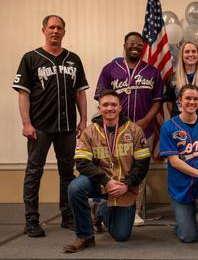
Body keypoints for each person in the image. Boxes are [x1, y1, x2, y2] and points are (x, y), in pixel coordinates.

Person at [12, 15, 89, 237]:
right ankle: (32, 221)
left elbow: (80, 92)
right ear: (43, 30)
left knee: (67, 173)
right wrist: (26, 123)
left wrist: (83, 120)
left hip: (67, 127)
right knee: (34, 172)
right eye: (51, 27)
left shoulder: (73, 59)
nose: (55, 31)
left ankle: (68, 216)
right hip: (40, 126)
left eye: (59, 28)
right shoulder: (31, 58)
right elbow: (23, 94)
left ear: (64, 31)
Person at [63, 90, 151, 253]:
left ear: (120, 108)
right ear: (99, 107)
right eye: (105, 105)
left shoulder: (135, 131)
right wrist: (106, 181)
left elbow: (143, 164)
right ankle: (85, 235)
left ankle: (100, 209)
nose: (109, 108)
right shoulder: (89, 132)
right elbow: (82, 163)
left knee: (121, 235)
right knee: (75, 187)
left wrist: (127, 185)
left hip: (124, 186)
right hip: (98, 182)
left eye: (113, 105)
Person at [94, 31, 162, 226]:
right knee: (113, 168)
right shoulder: (110, 69)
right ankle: (110, 208)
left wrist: (143, 121)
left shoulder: (152, 71)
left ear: (143, 48)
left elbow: (157, 102)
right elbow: (102, 99)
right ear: (124, 45)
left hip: (143, 130)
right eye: (132, 43)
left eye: (139, 44)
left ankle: (135, 211)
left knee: (140, 172)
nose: (135, 46)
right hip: (114, 130)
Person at [159, 84, 198, 253]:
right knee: (188, 237)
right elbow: (175, 161)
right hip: (181, 185)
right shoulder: (168, 127)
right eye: (188, 98)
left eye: (195, 99)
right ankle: (186, 220)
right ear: (180, 101)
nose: (192, 102)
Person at [163, 41, 198, 118]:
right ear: (182, 55)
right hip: (179, 123)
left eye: (194, 51)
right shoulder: (172, 78)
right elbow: (169, 103)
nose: (191, 54)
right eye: (187, 52)